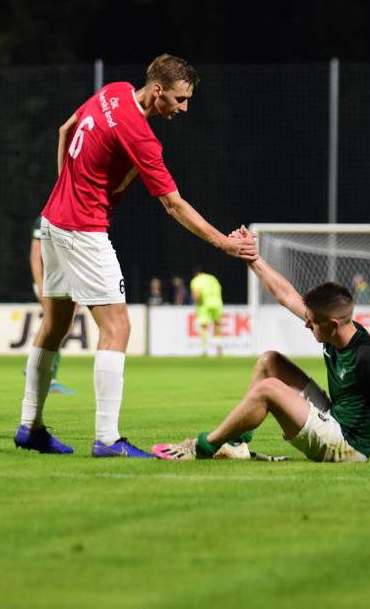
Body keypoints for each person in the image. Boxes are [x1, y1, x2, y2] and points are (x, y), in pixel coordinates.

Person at [15, 54, 256, 458]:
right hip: (83, 229)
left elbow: (65, 129)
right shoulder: (141, 135)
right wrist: (225, 243)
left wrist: (65, 190)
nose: (184, 108)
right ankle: (107, 439)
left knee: (55, 325)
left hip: (53, 221)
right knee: (118, 328)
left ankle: (30, 426)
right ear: (158, 90)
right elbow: (174, 205)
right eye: (179, 99)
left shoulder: (113, 92)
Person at [153, 226, 370, 464]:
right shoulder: (331, 325)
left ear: (332, 324)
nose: (307, 324)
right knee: (270, 361)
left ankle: (204, 446)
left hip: (348, 447)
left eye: (312, 322)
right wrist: (253, 259)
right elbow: (285, 295)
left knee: (267, 389)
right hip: (335, 416)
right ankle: (237, 444)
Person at [29, 215, 73, 394]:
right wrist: (40, 287)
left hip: (63, 282)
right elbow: (35, 255)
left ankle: (37, 366)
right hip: (49, 283)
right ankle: (46, 374)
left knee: (61, 326)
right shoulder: (44, 219)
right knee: (54, 326)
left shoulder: (71, 217)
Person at [190, 267, 223, 357]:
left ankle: (204, 350)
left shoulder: (196, 280)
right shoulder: (212, 278)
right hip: (217, 303)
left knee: (204, 326)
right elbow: (219, 289)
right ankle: (219, 347)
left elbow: (196, 293)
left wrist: (196, 303)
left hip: (205, 304)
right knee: (217, 325)